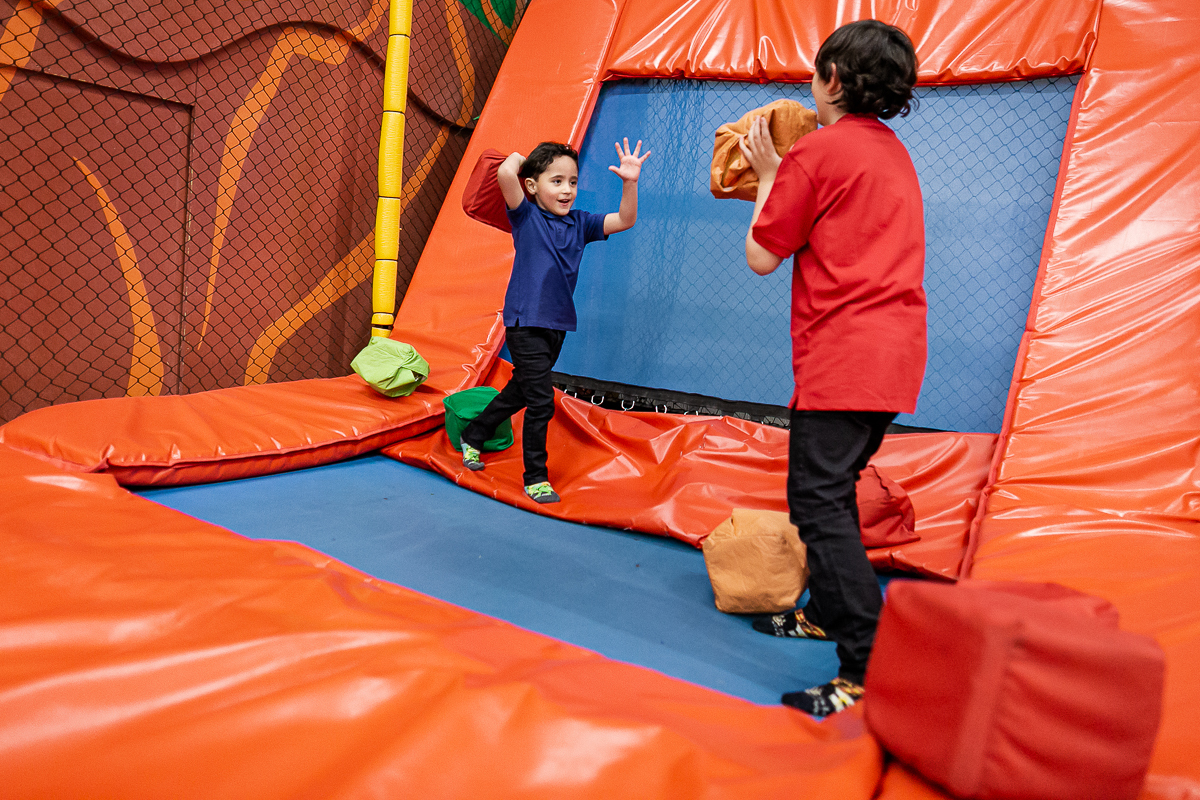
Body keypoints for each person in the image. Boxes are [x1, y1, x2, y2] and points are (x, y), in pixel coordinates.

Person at [739, 19, 927, 716]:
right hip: (896, 353)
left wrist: (767, 176)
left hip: (846, 355)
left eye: (816, 75)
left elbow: (762, 256)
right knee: (836, 488)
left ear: (834, 81)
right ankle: (824, 611)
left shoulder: (817, 153)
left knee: (817, 502)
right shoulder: (892, 152)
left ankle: (865, 667)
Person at [459, 138, 650, 504]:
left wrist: (630, 181)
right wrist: (525, 162)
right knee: (541, 401)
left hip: (557, 325)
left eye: (573, 182)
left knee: (520, 389)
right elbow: (505, 171)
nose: (567, 190)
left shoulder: (581, 224)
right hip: (524, 321)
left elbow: (626, 220)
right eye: (556, 181)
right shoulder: (525, 215)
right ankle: (535, 477)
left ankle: (474, 434)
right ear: (532, 186)